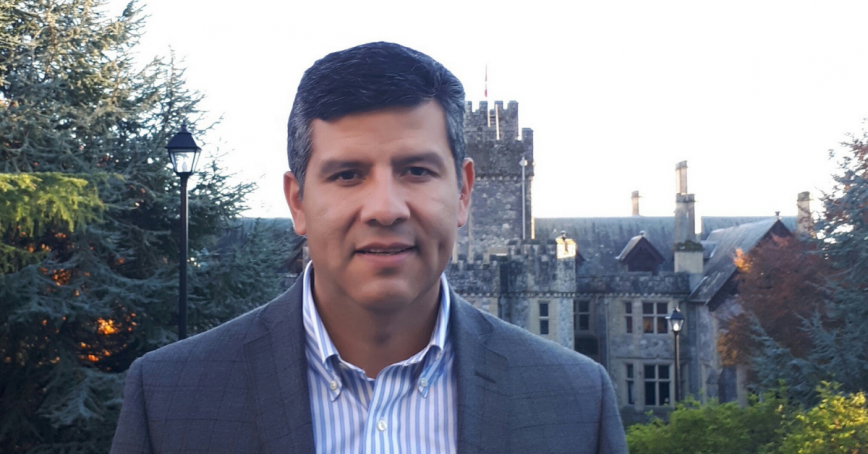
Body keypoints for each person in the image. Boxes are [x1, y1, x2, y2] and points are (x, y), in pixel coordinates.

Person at [111, 42, 628, 454]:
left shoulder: (576, 400)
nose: (386, 208)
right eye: (347, 174)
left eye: (417, 171)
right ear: (298, 202)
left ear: (464, 191)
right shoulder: (168, 397)